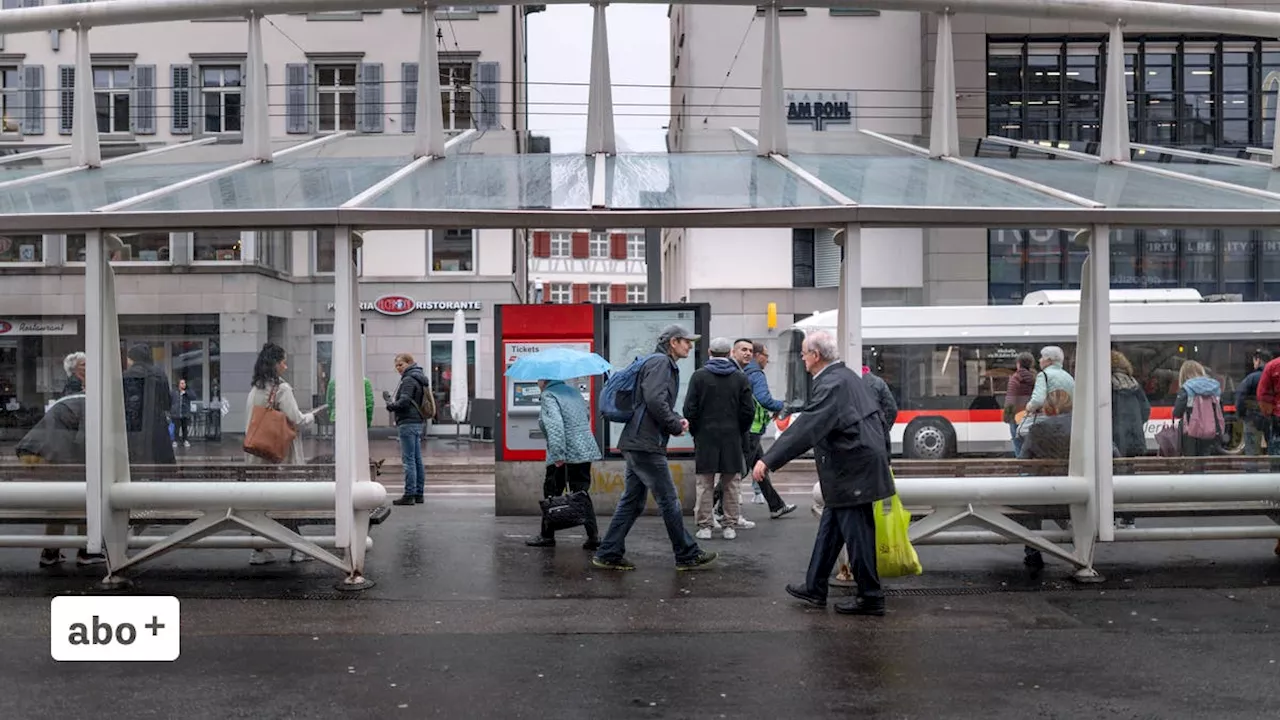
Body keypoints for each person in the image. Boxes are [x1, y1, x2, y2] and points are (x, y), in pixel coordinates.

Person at [754, 330, 893, 617]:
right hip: (854, 466)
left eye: (804, 353)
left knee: (858, 535)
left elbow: (808, 427)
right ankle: (815, 586)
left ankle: (871, 596)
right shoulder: (844, 377)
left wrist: (767, 460)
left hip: (852, 469)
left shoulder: (831, 384)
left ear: (815, 356)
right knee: (832, 529)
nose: (803, 358)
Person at [593, 325, 718, 572]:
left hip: (638, 441)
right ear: (673, 342)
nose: (689, 346)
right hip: (645, 444)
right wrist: (674, 424)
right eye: (686, 342)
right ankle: (686, 554)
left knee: (632, 501)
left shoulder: (657, 362)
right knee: (669, 500)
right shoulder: (662, 363)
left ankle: (608, 552)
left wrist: (674, 418)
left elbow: (652, 401)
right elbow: (653, 399)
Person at [15, 374, 106, 568]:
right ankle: (86, 551)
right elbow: (84, 439)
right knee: (83, 502)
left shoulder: (64, 401)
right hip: (67, 458)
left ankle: (50, 552)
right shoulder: (87, 403)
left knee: (57, 506)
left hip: (43, 454)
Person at [245, 342, 318, 565]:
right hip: (279, 456)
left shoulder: (255, 389)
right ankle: (297, 549)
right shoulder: (281, 389)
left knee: (260, 505)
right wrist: (311, 416)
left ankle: (258, 549)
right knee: (285, 504)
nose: (285, 366)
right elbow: (296, 419)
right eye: (283, 362)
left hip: (256, 454)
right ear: (275, 364)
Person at [684, 337, 755, 540]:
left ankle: (705, 526)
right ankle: (729, 525)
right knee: (732, 483)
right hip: (732, 437)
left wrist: (697, 430)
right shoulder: (740, 378)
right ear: (729, 354)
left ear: (709, 352)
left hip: (706, 437)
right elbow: (748, 410)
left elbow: (689, 408)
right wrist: (739, 429)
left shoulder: (699, 377)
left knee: (704, 483)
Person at [526, 377, 603, 549]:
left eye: (538, 380)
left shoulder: (549, 395)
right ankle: (593, 537)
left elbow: (555, 426)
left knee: (551, 492)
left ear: (543, 381)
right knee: (581, 493)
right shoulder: (574, 392)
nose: (537, 383)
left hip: (564, 451)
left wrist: (558, 454)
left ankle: (547, 536)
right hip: (584, 449)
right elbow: (586, 416)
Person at [724, 339, 797, 519]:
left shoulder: (743, 371)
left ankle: (776, 505)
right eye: (766, 355)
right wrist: (783, 405)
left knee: (760, 469)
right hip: (752, 430)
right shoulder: (756, 373)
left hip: (750, 429)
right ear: (758, 356)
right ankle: (717, 507)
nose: (768, 360)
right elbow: (764, 399)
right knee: (740, 471)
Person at [384, 353, 430, 507]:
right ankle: (419, 494)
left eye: (400, 365)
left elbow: (404, 401)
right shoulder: (419, 377)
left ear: (409, 363)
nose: (398, 368)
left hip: (408, 423)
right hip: (416, 422)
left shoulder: (409, 379)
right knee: (416, 459)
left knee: (409, 460)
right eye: (396, 366)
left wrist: (391, 406)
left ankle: (409, 494)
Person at [121, 344, 176, 465]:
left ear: (133, 358)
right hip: (157, 425)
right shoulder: (160, 374)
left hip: (134, 427)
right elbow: (167, 402)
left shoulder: (126, 376)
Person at [1174, 360, 1222, 458]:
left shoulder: (1186, 389)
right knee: (1207, 460)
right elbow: (1220, 410)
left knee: (1192, 463)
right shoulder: (1214, 387)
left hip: (1191, 433)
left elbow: (1177, 412)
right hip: (1212, 431)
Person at [1111, 350, 1151, 459]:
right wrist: (1135, 423)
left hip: (1116, 440)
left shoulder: (1107, 384)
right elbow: (1146, 410)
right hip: (1136, 437)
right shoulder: (1134, 384)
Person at [1236, 350, 1271, 456]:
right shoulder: (1275, 377)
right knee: (1274, 450)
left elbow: (1240, 397)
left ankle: (1253, 471)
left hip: (1253, 417)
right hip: (1272, 417)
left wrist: (1242, 414)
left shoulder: (1251, 378)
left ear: (1258, 360)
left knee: (1252, 451)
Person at [1004, 352, 1037, 456]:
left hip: (1017, 416)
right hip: (1032, 415)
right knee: (1030, 446)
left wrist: (1008, 417)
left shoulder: (1016, 378)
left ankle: (1023, 471)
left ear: (1018, 364)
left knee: (1018, 445)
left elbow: (1011, 398)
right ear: (1031, 364)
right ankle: (1031, 471)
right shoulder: (1036, 377)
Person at [171, 378, 196, 449]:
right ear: (178, 384)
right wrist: (171, 410)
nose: (183, 384)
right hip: (176, 413)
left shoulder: (188, 391)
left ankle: (185, 440)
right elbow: (170, 400)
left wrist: (186, 393)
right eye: (182, 383)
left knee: (185, 428)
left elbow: (194, 397)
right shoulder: (174, 392)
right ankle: (175, 441)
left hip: (185, 413)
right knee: (176, 428)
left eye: (184, 383)